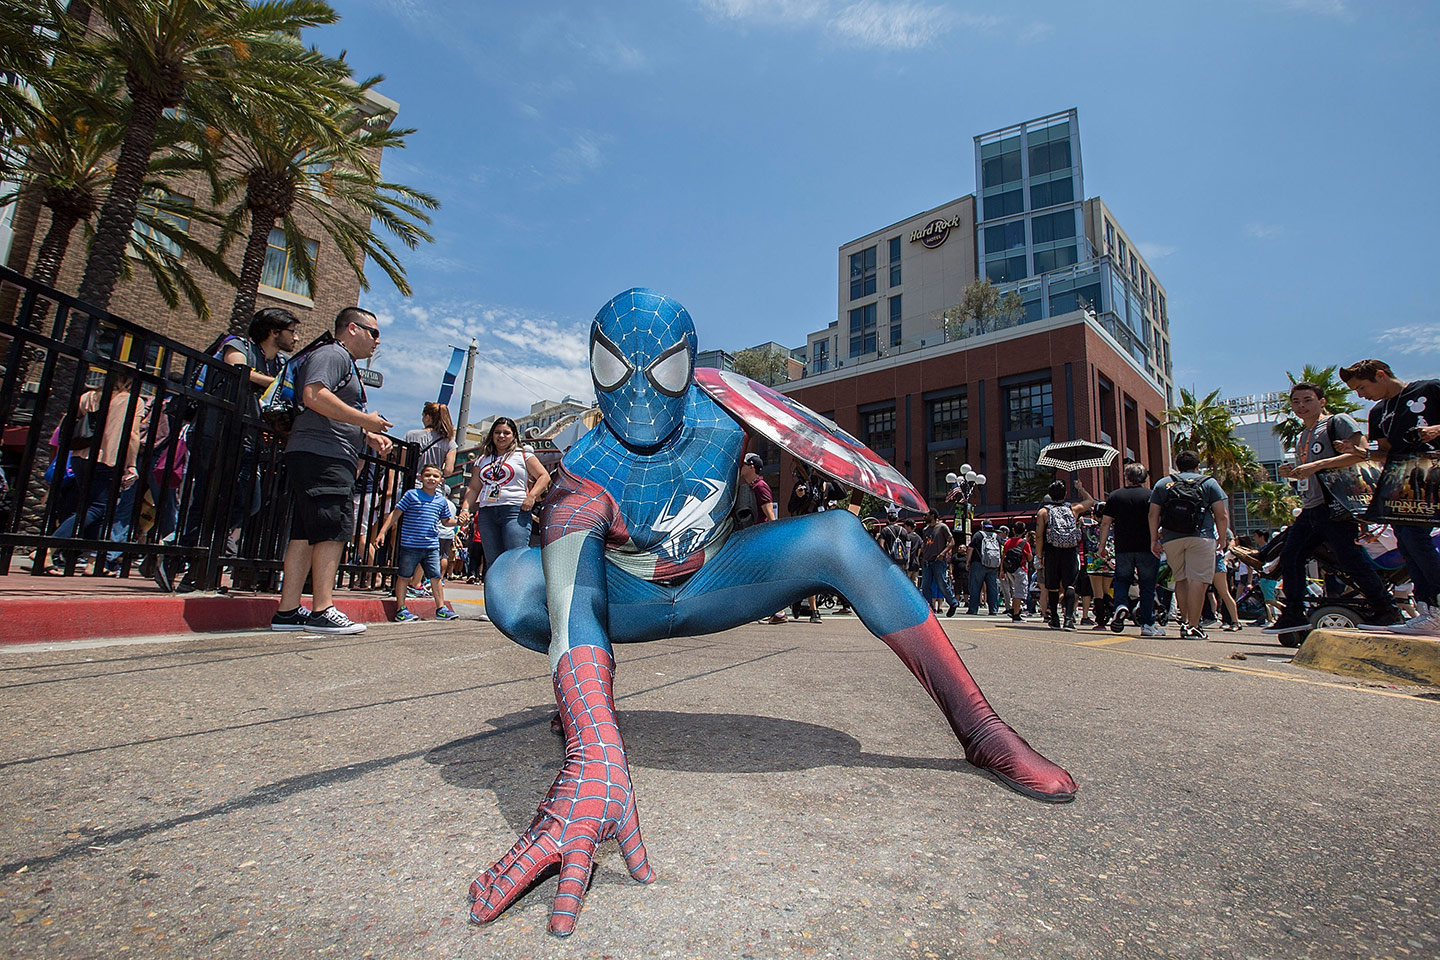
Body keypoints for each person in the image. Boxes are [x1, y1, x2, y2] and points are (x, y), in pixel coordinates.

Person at [470, 289, 1074, 936]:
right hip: (630, 598)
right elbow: (573, 607)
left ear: (689, 365)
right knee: (512, 584)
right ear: (594, 369)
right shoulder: (582, 473)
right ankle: (585, 715)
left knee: (840, 537)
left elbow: (799, 458)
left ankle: (982, 729)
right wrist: (593, 752)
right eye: (617, 370)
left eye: (663, 369)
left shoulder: (729, 420)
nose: (640, 392)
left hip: (721, 579)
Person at [270, 307, 392, 635]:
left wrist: (366, 434)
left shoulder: (340, 360)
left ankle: (288, 610)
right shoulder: (333, 354)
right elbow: (313, 395)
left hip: (313, 452)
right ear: (352, 328)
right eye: (374, 333)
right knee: (332, 528)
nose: (377, 341)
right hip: (324, 456)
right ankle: (322, 608)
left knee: (304, 534)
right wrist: (366, 420)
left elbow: (327, 406)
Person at [1257, 379, 1404, 636]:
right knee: (1291, 557)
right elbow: (1311, 472)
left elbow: (1360, 453)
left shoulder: (1338, 421)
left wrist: (1317, 466)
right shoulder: (1302, 435)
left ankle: (1387, 609)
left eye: (1307, 400)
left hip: (1336, 505)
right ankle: (1293, 612)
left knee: (1350, 560)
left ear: (1321, 401)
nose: (1301, 406)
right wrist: (1292, 472)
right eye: (1296, 402)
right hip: (1312, 506)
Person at [169, 307, 300, 592]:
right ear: (273, 331)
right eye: (292, 331)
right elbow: (239, 369)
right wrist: (281, 385)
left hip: (247, 439)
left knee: (248, 500)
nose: (296, 338)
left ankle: (177, 550)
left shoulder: (279, 363)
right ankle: (189, 561)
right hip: (213, 432)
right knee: (208, 497)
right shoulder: (238, 345)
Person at [1338, 359, 1440, 636]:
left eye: (1362, 387)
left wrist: (1436, 430)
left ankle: (1436, 604)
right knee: (1407, 542)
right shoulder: (1378, 411)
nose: (1361, 395)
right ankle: (1428, 609)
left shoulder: (1429, 389)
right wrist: (1360, 453)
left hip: (1433, 471)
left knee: (1417, 539)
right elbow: (1384, 452)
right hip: (1402, 481)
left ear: (1381, 375)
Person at [458, 417, 550, 622]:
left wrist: (531, 496)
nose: (501, 436)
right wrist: (465, 508)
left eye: (506, 433)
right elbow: (474, 488)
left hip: (515, 510)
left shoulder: (523, 454)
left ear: (514, 436)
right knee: (493, 561)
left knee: (515, 558)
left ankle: (521, 608)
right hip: (488, 512)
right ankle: (495, 609)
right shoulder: (482, 459)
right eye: (498, 432)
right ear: (492, 434)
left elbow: (544, 476)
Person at [1148, 449, 1229, 641]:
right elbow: (1221, 514)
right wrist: (1223, 537)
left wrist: (1154, 539)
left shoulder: (1163, 483)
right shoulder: (1209, 482)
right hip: (1202, 536)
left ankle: (1184, 622)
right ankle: (1194, 626)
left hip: (1172, 538)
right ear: (1197, 465)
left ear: (1177, 466)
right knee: (1198, 580)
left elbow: (1153, 514)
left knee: (1181, 579)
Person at [374, 463, 460, 622]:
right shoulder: (411, 495)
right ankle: (401, 609)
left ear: (441, 480)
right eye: (427, 475)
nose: (431, 479)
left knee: (435, 577)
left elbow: (446, 521)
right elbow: (396, 513)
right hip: (410, 545)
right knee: (404, 576)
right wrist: (382, 532)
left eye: (435, 476)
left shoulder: (441, 501)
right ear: (420, 478)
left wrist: (459, 522)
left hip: (432, 546)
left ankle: (441, 608)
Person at [1098, 462, 1164, 637]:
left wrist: (1102, 546)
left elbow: (1105, 523)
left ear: (1127, 477)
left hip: (1123, 547)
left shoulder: (1115, 496)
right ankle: (1147, 624)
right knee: (1148, 585)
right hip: (1147, 546)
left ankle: (1120, 605)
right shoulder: (1151, 496)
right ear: (1144, 478)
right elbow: (1159, 520)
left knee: (1122, 580)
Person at [1034, 479, 1095, 630]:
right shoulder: (1073, 509)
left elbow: (1039, 536)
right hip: (1070, 550)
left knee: (1053, 586)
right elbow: (1090, 501)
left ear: (1049, 494)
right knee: (1070, 585)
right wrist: (1080, 488)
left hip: (1052, 551)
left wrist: (1040, 556)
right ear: (1065, 494)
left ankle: (1054, 617)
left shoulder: (1043, 512)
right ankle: (1068, 618)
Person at [919, 508, 958, 617]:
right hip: (927, 561)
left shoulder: (942, 527)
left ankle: (953, 602)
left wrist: (942, 553)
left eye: (926, 515)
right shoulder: (925, 530)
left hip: (938, 561)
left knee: (941, 583)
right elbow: (925, 544)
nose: (924, 517)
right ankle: (929, 609)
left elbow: (952, 542)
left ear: (932, 515)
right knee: (926, 586)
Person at [966, 519, 1003, 616]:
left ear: (982, 526)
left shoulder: (978, 535)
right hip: (993, 565)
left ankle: (973, 609)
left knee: (975, 587)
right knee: (992, 587)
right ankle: (993, 609)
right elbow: (1001, 552)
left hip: (978, 563)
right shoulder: (996, 537)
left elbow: (970, 548)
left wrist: (968, 562)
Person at [1001, 520, 1032, 622]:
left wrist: (1002, 570)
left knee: (1014, 591)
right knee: (1019, 593)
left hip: (1009, 569)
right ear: (1025, 531)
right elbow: (1030, 558)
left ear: (1013, 530)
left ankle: (1013, 610)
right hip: (1020, 569)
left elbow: (1003, 556)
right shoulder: (1025, 543)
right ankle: (1016, 614)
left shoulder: (1007, 542)